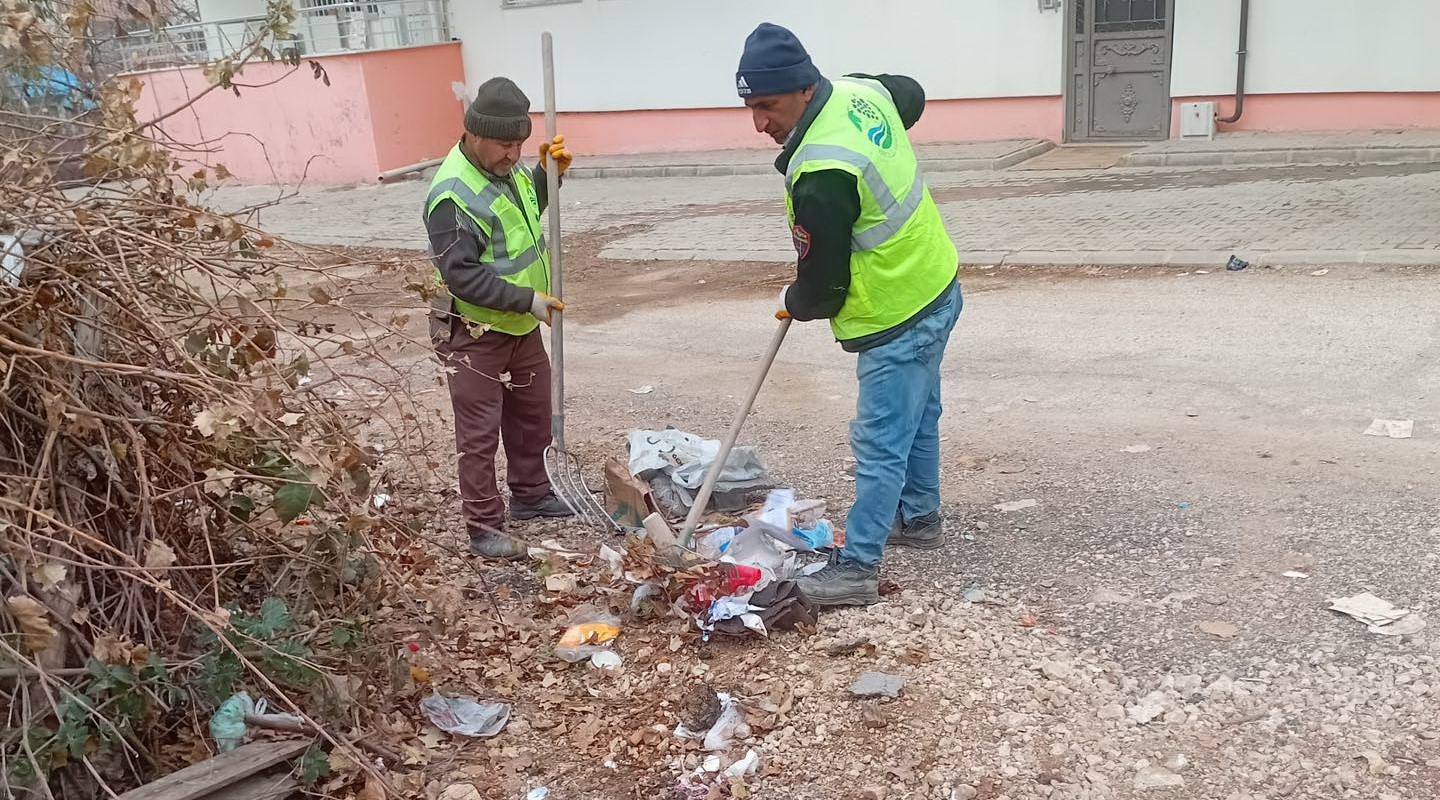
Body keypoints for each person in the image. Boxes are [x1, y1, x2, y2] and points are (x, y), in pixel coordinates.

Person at [736, 23, 964, 606]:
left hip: (896, 311)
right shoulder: (860, 90)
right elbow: (909, 91)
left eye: (768, 105)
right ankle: (919, 517)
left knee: (882, 439)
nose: (759, 123)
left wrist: (795, 299)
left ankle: (859, 567)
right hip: (937, 282)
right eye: (749, 106)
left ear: (805, 90)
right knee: (922, 412)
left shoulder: (821, 172)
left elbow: (825, 289)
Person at [424, 76, 577, 559]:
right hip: (473, 331)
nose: (513, 154)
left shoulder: (503, 168)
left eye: (519, 145)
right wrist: (529, 300)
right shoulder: (452, 194)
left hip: (518, 326)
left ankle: (531, 494)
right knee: (479, 433)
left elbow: (521, 215)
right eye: (504, 145)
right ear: (472, 133)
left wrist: (545, 178)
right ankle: (484, 526)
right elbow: (462, 276)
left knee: (533, 415)